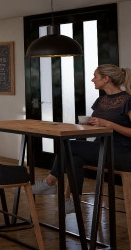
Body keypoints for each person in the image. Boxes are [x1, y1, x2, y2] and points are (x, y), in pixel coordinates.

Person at [32, 64, 131, 214]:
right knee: (75, 158)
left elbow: (114, 127)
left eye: (95, 76)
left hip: (122, 153)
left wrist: (109, 124)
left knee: (69, 146)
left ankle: (50, 181)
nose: (92, 80)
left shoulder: (128, 100)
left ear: (106, 79)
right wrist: (87, 125)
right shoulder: (101, 101)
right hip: (101, 149)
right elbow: (99, 126)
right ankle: (75, 202)